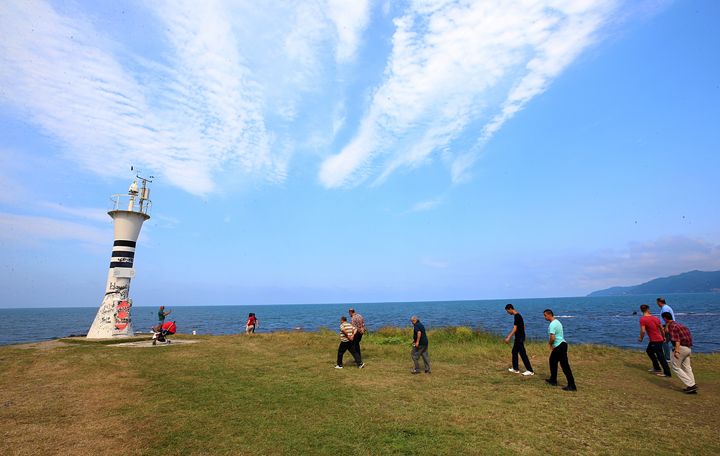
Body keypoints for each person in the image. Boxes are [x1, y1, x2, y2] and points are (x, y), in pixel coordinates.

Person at [662, 312, 697, 394]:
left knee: (675, 367)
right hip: (688, 348)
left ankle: (691, 385)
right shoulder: (679, 325)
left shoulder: (672, 327)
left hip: (680, 348)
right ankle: (692, 384)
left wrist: (676, 351)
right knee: (687, 367)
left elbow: (677, 340)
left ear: (665, 318)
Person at [543, 309, 576, 391]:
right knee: (553, 361)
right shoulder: (557, 322)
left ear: (549, 315)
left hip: (559, 346)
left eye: (545, 315)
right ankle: (553, 380)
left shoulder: (552, 324)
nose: (544, 317)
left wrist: (550, 344)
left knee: (564, 366)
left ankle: (572, 385)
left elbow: (552, 337)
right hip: (563, 345)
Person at [638, 304, 671, 377]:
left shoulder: (642, 319)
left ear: (641, 310)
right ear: (648, 310)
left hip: (655, 340)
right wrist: (663, 337)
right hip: (658, 339)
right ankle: (657, 368)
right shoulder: (655, 318)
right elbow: (661, 329)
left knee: (660, 356)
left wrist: (641, 338)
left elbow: (643, 331)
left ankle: (667, 373)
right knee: (649, 351)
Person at [504, 304, 534, 376]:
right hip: (519, 337)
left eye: (507, 311)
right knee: (514, 351)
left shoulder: (517, 316)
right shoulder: (518, 316)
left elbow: (515, 328)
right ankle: (515, 369)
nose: (507, 313)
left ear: (510, 309)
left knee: (522, 354)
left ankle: (530, 370)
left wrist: (508, 337)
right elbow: (523, 326)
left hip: (519, 338)